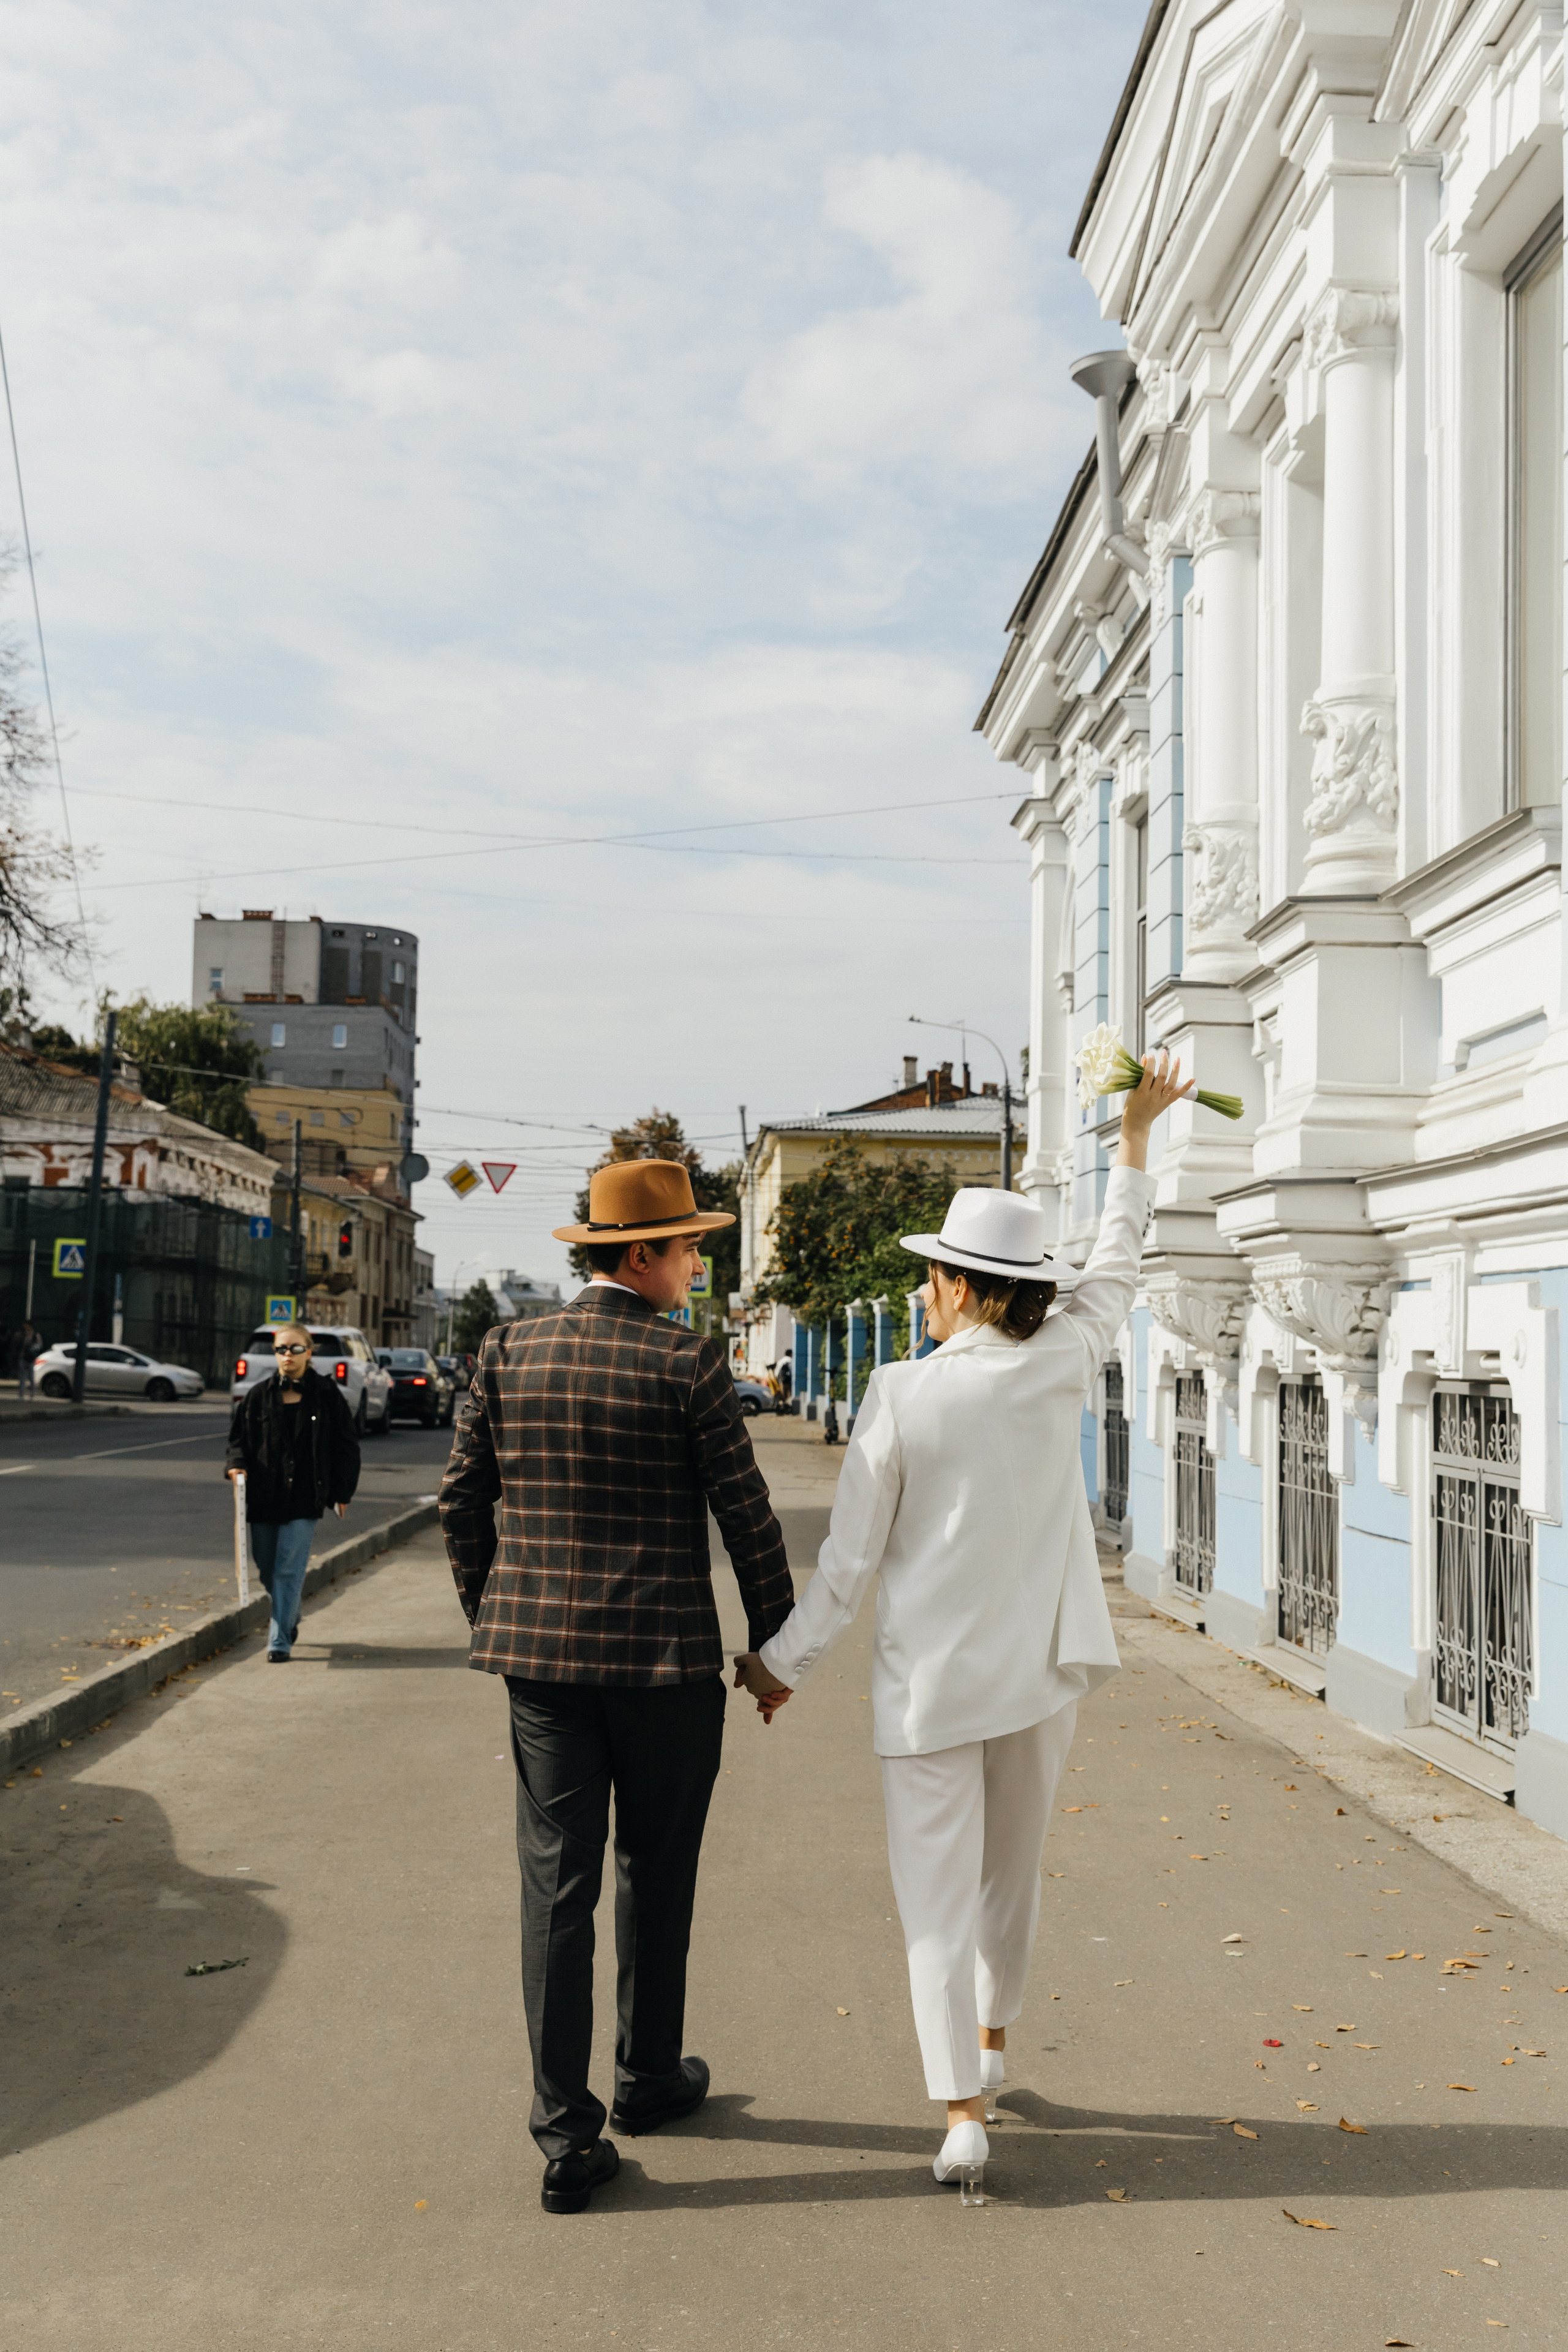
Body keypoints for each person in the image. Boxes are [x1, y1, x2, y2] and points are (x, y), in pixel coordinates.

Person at [734, 1051, 1191, 2188]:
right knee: (1011, 1878)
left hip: (930, 1690)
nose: (925, 1291)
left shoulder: (901, 1394)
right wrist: (1135, 1138)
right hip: (1041, 1675)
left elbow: (847, 1564)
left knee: (934, 1901)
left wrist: (779, 1666)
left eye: (936, 1275)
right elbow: (1119, 1257)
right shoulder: (1067, 1360)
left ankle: (961, 2114)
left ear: (970, 1289)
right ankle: (995, 2039)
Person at [439, 1158, 795, 2217]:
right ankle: (647, 2079)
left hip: (543, 1672)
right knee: (657, 1870)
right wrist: (773, 1655)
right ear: (639, 1256)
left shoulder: (508, 1350)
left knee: (556, 1886)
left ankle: (565, 2134)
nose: (698, 1261)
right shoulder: (687, 1363)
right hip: (667, 1670)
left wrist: (499, 1619)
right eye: (688, 1246)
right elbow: (750, 1523)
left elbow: (461, 1506)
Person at [225, 1322, 360, 1662]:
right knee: (267, 1568)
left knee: (288, 1569)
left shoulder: (328, 1395)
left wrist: (342, 1492)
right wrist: (236, 1466)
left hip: (305, 1497)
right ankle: (290, 1614)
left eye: (296, 1348)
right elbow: (238, 1440)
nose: (288, 1355)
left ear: (309, 1352)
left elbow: (347, 1446)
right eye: (282, 1349)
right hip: (264, 1496)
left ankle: (279, 1640)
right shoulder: (258, 1396)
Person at [12, 1320, 43, 1404]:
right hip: (23, 1357)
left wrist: (32, 1348)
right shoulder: (22, 1334)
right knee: (22, 1376)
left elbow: (39, 1345)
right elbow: (17, 1343)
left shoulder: (35, 1334)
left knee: (31, 1377)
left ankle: (32, 1394)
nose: (25, 1327)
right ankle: (21, 1394)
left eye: (26, 1325)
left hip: (31, 1358)